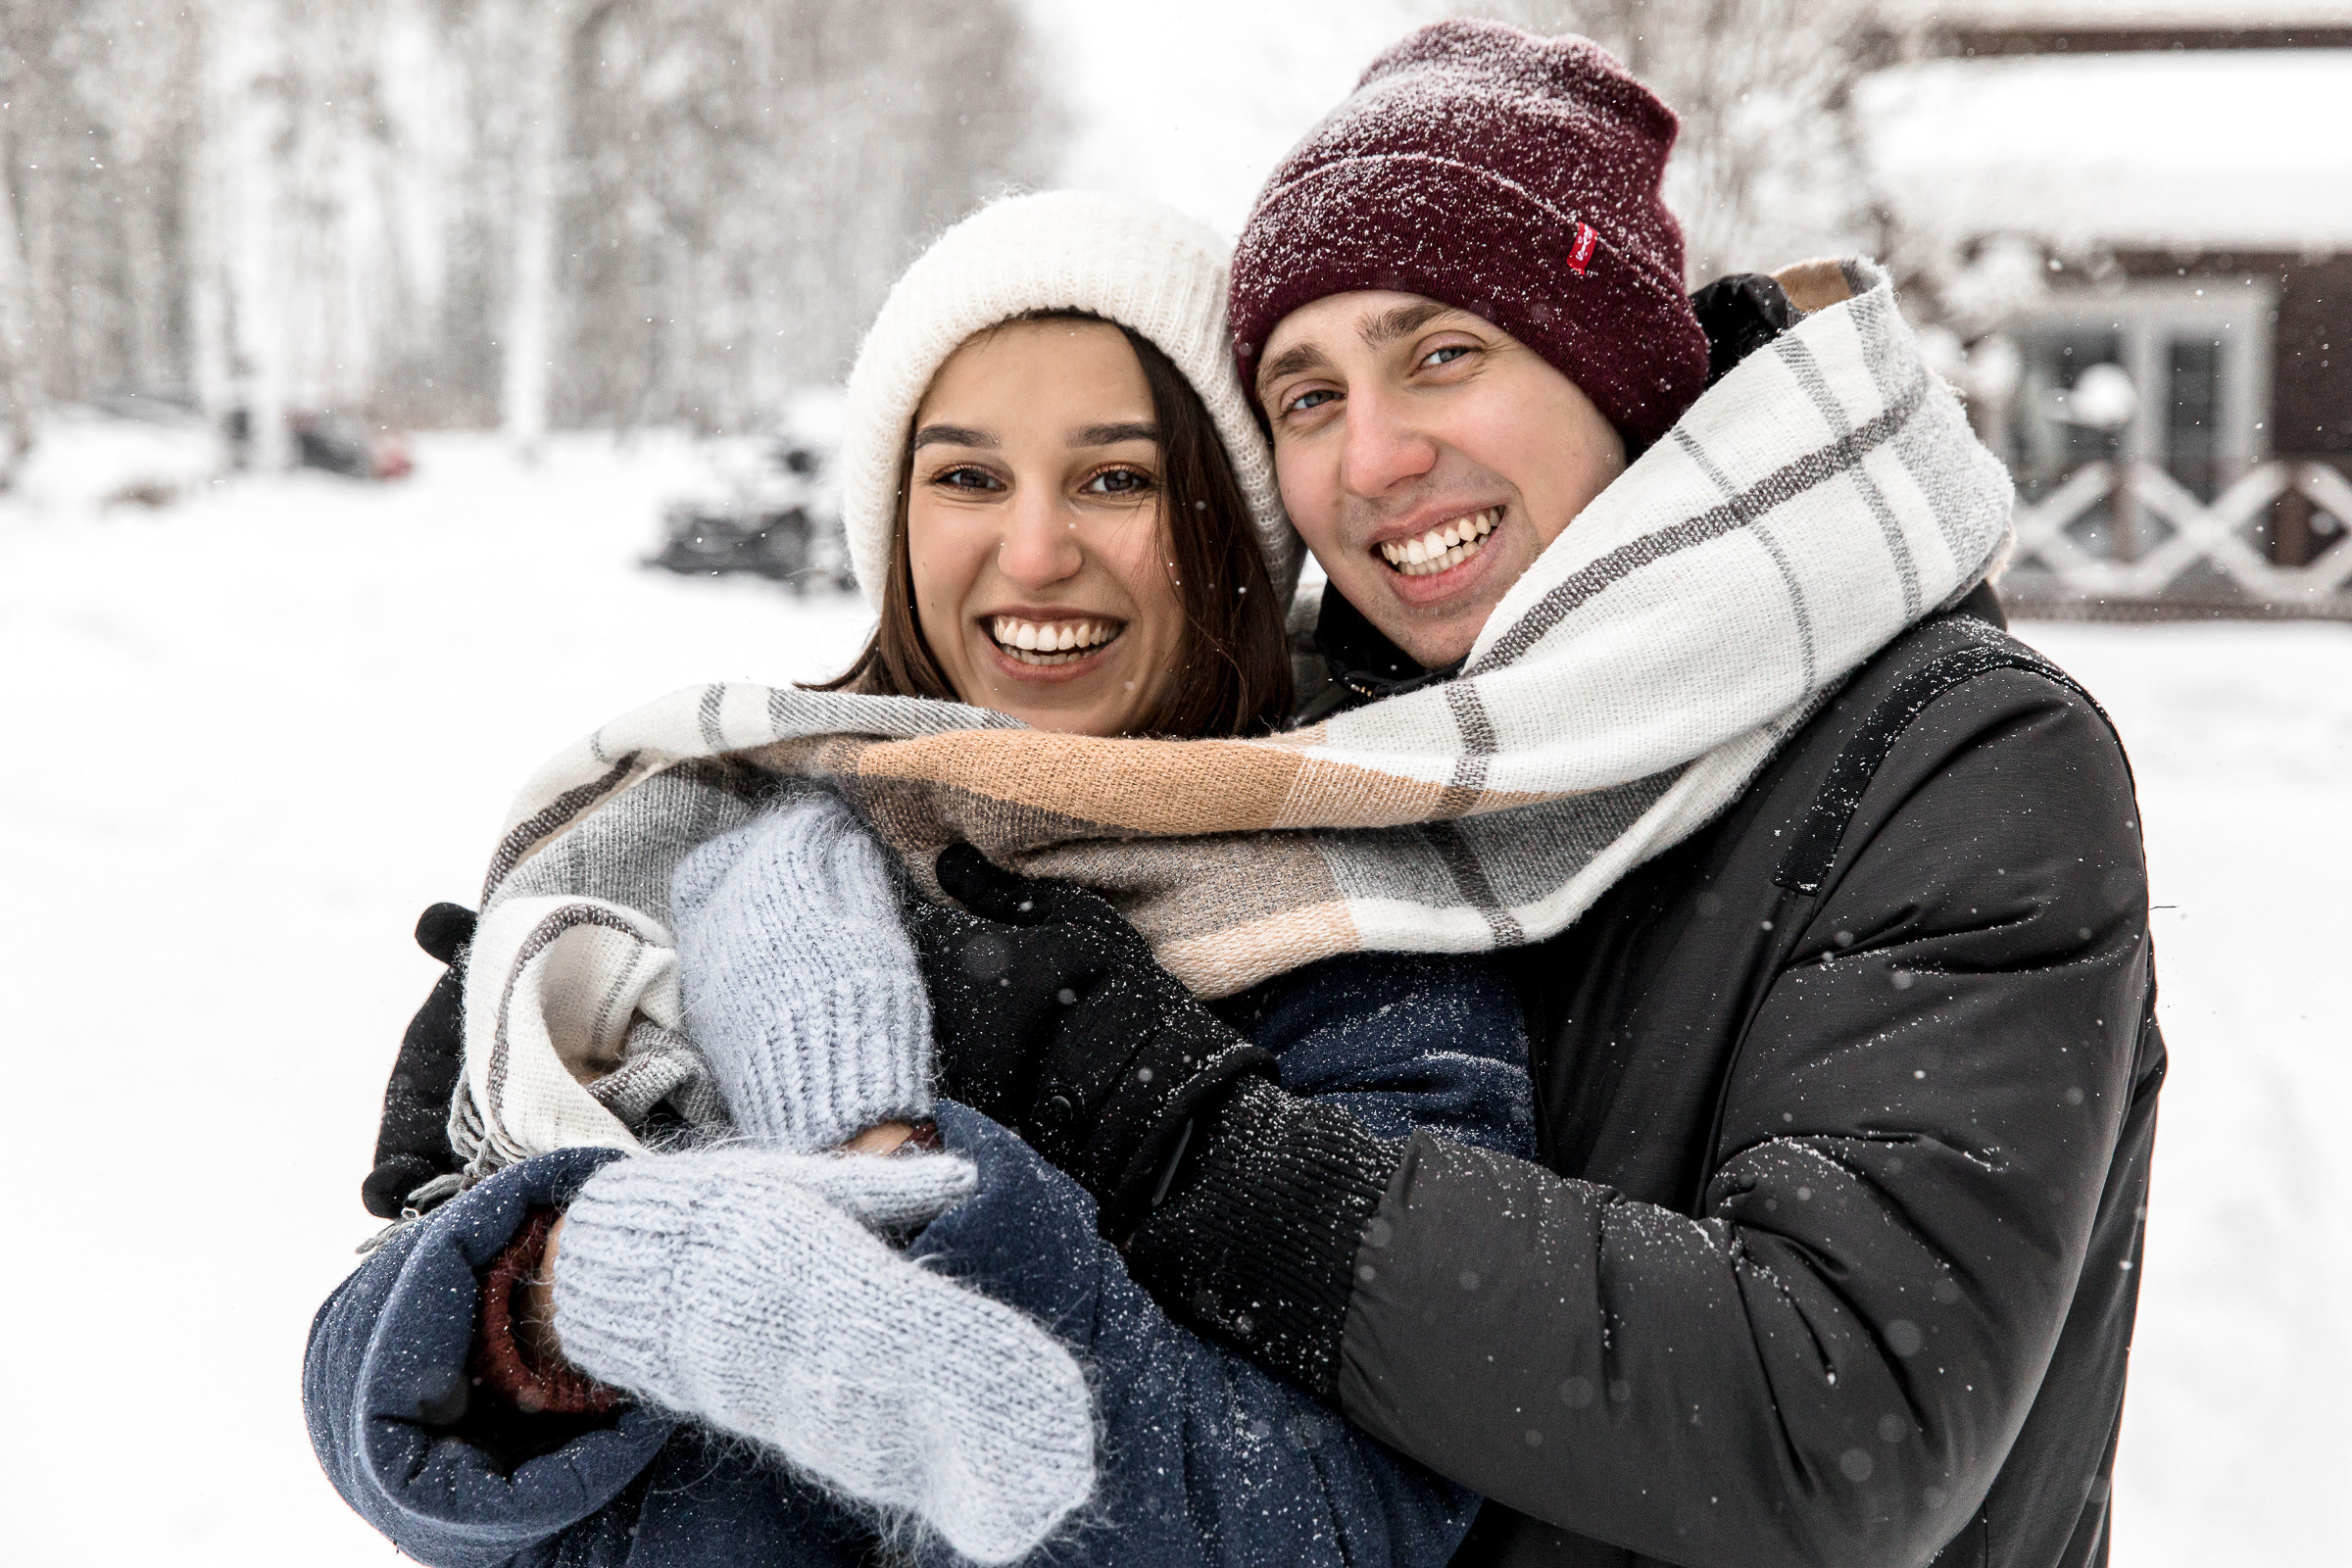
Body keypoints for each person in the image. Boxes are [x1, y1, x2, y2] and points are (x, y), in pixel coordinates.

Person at [903, 23, 2162, 1568]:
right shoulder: (1344, 770)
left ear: (1612, 371)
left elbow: (1837, 1417)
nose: (1373, 457)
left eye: (1443, 354)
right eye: (1305, 395)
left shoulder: (1955, 761)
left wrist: (1183, 1143)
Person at [307, 192, 1530, 1567]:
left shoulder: (1369, 921)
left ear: (1231, 536)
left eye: (1116, 479)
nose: (1033, 552)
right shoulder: (675, 839)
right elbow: (375, 1399)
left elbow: (1358, 1521)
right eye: (965, 478)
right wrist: (564, 1292)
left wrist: (926, 1181)